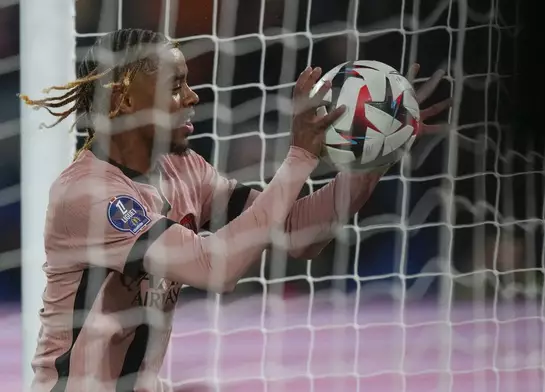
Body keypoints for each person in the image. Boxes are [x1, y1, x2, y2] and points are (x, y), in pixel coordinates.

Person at [20, 28, 451, 392]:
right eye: (174, 85)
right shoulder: (90, 195)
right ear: (126, 101)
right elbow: (216, 268)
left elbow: (301, 233)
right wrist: (299, 156)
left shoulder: (185, 169)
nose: (192, 96)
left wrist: (374, 153)